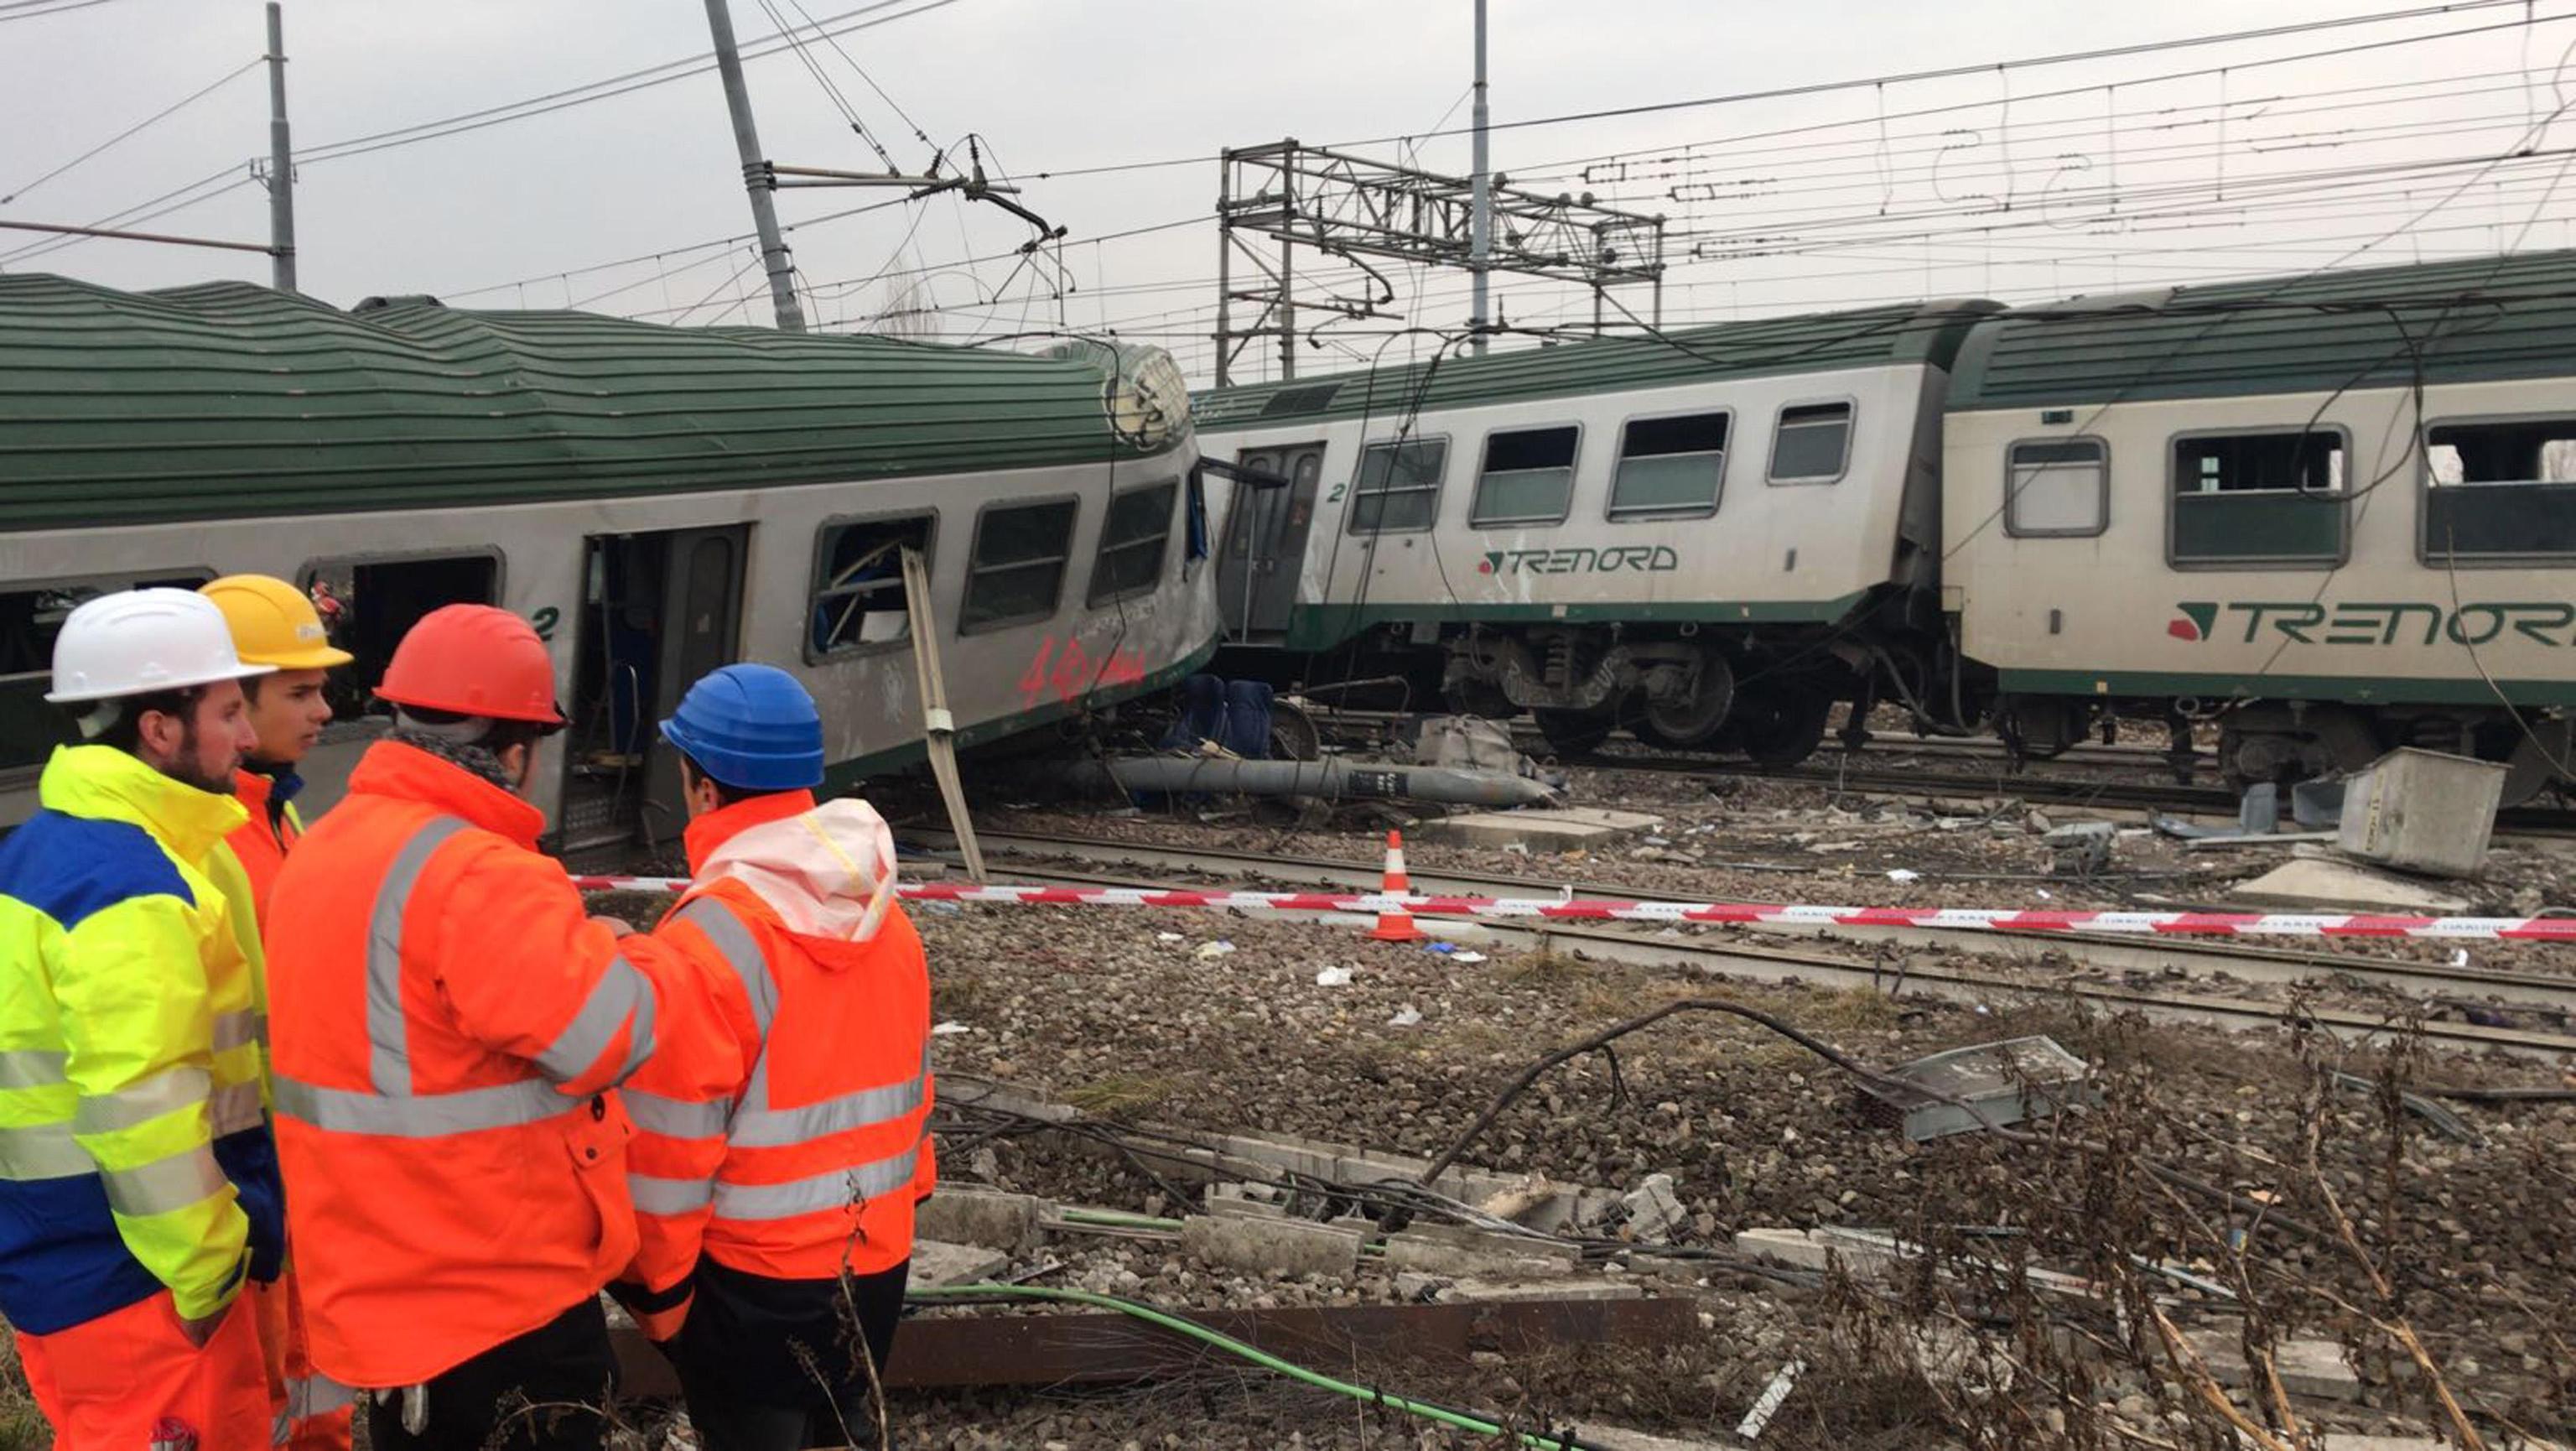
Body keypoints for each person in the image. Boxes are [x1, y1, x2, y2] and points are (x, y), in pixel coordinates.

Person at [262, 605, 739, 1451]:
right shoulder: (483, 873)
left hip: (375, 1269)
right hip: (496, 1284)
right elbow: (609, 1039)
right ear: (515, 752)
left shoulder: (325, 844)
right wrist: (630, 952)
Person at [611, 663, 935, 1451]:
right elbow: (913, 1106)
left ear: (703, 790)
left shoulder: (708, 941)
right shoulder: (887, 919)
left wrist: (663, 1306)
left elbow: (666, 1152)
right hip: (877, 1265)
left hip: (751, 1288)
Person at [0, 588, 281, 1450]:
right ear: (158, 729)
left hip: (68, 1259)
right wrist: (207, 1273)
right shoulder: (133, 887)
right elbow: (142, 1109)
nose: (245, 736)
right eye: (229, 710)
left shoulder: (47, 849)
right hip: (143, 1283)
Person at [200, 574, 359, 1451]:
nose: (325, 708)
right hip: (247, 1179)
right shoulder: (214, 840)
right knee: (258, 1398)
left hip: (290, 1175)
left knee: (307, 1392)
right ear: (229, 700)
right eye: (300, 690)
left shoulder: (277, 812)